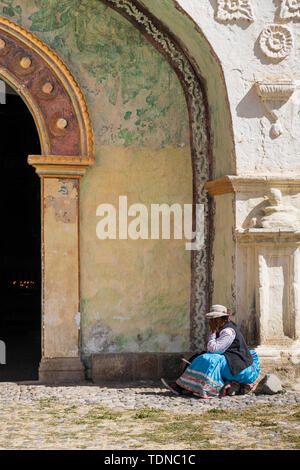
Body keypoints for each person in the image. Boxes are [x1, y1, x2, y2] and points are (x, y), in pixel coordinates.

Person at [161, 304, 260, 398]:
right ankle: (184, 385)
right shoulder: (223, 329)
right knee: (198, 357)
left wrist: (213, 333)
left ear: (219, 319)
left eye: (213, 319)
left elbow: (214, 350)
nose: (210, 322)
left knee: (207, 359)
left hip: (241, 369)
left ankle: (210, 388)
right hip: (234, 365)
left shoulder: (228, 332)